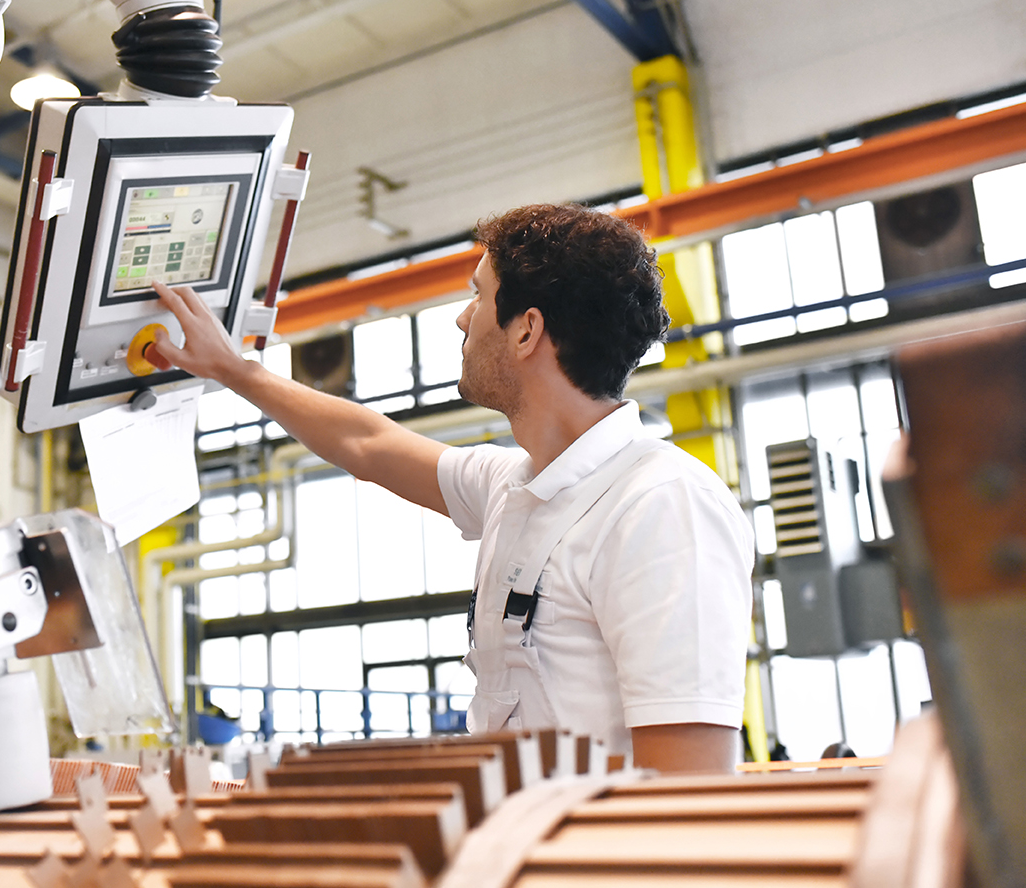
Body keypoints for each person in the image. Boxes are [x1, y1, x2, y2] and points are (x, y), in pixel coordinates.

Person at [147, 203, 754, 773]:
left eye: (478, 296)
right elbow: (368, 445)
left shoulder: (660, 505)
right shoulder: (515, 487)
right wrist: (233, 369)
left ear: (526, 331)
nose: (462, 318)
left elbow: (688, 782)